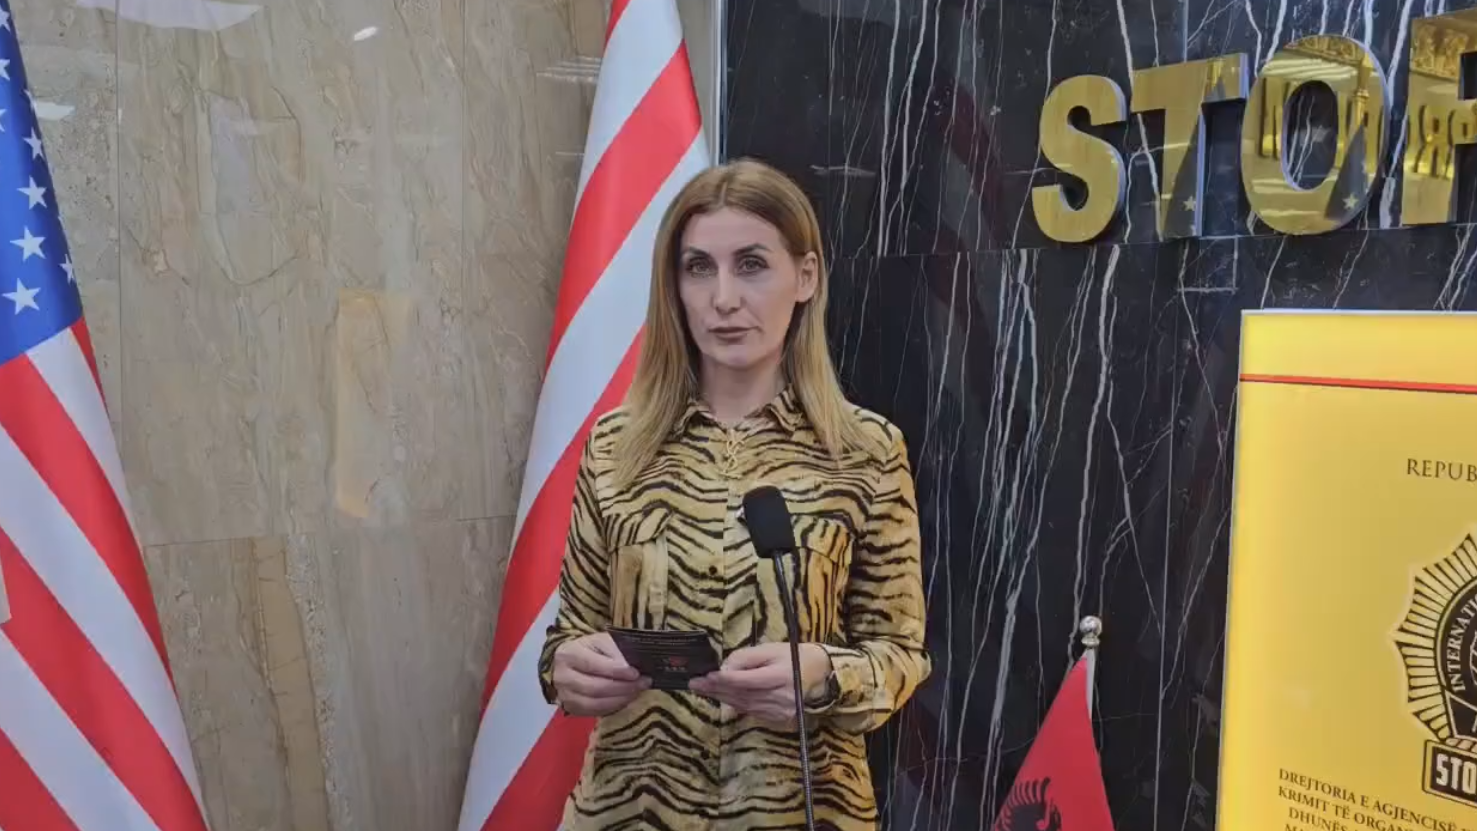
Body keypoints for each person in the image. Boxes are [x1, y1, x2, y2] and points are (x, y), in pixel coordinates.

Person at [537, 158, 931, 830]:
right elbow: (569, 637)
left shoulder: (867, 450)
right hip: (633, 810)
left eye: (751, 265)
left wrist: (823, 673)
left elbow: (900, 655)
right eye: (698, 267)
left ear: (805, 277)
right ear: (674, 286)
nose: (723, 298)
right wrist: (567, 669)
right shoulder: (614, 445)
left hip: (800, 810)